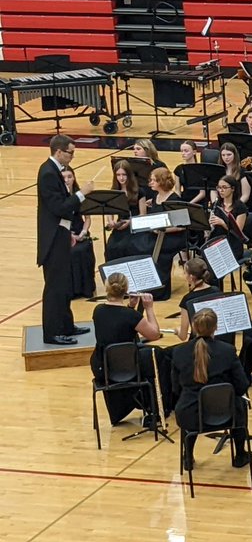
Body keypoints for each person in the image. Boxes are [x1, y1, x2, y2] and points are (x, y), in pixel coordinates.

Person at [172, 308, 252, 470]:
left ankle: (187, 457)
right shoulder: (227, 351)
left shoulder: (179, 352)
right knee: (240, 404)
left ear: (194, 327)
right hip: (226, 414)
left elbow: (175, 388)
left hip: (191, 414)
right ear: (216, 327)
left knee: (187, 406)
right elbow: (242, 385)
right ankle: (240, 454)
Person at [91, 273, 162, 426]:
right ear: (126, 290)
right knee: (157, 355)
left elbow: (117, 327)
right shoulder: (131, 316)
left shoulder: (98, 311)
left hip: (104, 366)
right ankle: (154, 408)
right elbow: (154, 334)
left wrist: (131, 307)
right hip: (128, 367)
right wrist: (148, 308)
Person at [61, 167, 96, 300]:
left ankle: (85, 288)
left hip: (79, 231)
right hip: (64, 234)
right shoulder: (59, 198)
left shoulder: (79, 195)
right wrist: (69, 235)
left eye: (70, 176)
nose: (67, 180)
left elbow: (87, 218)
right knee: (71, 252)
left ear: (74, 178)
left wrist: (83, 232)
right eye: (64, 177)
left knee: (82, 249)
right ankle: (71, 290)